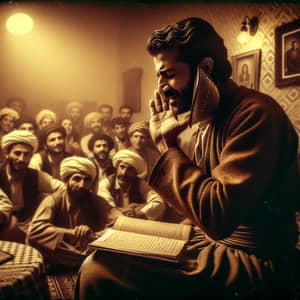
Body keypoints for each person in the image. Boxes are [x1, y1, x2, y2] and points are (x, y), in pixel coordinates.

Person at [76, 17, 299, 300]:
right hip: (210, 238)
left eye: (168, 74)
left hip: (256, 256)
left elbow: (217, 215)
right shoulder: (208, 117)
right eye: (159, 76)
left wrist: (166, 145)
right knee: (110, 240)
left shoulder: (254, 114)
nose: (161, 88)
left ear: (204, 68)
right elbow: (199, 204)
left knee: (99, 270)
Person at [27, 156, 121, 270]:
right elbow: (34, 231)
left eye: (86, 180)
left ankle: (84, 260)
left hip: (87, 247)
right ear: (66, 180)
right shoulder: (53, 200)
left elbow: (119, 220)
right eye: (76, 179)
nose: (82, 185)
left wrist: (93, 234)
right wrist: (71, 232)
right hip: (62, 249)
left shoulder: (96, 200)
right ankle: (85, 261)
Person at [0, 130, 65, 242]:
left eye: (26, 155)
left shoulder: (35, 176)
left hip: (30, 224)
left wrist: (49, 203)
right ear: (7, 154)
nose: (21, 159)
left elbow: (63, 189)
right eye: (17, 153)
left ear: (31, 157)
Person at [98, 149, 165, 221]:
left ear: (135, 173)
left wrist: (140, 213)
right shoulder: (106, 183)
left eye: (130, 169)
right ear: (117, 168)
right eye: (122, 167)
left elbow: (159, 203)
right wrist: (142, 206)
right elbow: (108, 209)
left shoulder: (140, 183)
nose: (124, 173)